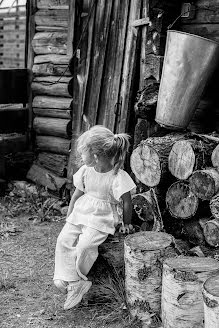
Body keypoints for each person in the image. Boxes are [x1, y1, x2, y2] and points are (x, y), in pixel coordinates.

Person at [53, 125, 136, 310]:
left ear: (96, 155)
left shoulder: (117, 176)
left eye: (84, 153)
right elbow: (76, 195)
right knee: (63, 240)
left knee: (86, 246)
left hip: (102, 217)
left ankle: (78, 279)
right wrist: (69, 215)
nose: (81, 156)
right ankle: (67, 277)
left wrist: (126, 223)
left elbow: (127, 202)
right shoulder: (85, 171)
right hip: (81, 212)